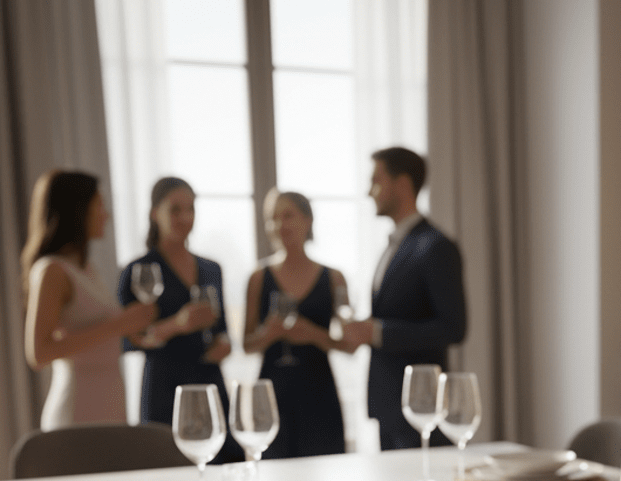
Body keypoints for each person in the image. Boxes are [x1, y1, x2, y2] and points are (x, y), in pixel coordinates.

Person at [341, 148, 467, 450]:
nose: (369, 191)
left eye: (376, 181)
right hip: (388, 404)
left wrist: (377, 332)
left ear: (402, 184)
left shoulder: (435, 246)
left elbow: (453, 327)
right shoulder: (395, 245)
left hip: (422, 405)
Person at [117, 176, 241, 460]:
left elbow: (221, 329)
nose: (185, 218)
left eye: (190, 209)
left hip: (209, 381)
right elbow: (129, 340)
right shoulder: (138, 270)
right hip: (165, 386)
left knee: (223, 463)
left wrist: (224, 345)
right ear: (154, 213)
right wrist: (177, 325)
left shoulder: (211, 269)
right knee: (166, 465)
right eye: (175, 209)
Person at [22, 170, 157, 430]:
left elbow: (97, 336)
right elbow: (39, 353)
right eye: (100, 206)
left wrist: (131, 328)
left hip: (108, 408)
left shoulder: (86, 270)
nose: (106, 215)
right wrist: (119, 325)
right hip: (77, 412)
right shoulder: (52, 271)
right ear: (77, 211)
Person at [243, 189, 348, 458]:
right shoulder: (257, 278)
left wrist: (313, 334)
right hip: (272, 393)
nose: (280, 224)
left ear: (307, 220)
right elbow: (246, 345)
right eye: (273, 218)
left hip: (319, 392)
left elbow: (348, 343)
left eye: (288, 215)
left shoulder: (334, 278)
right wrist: (268, 334)